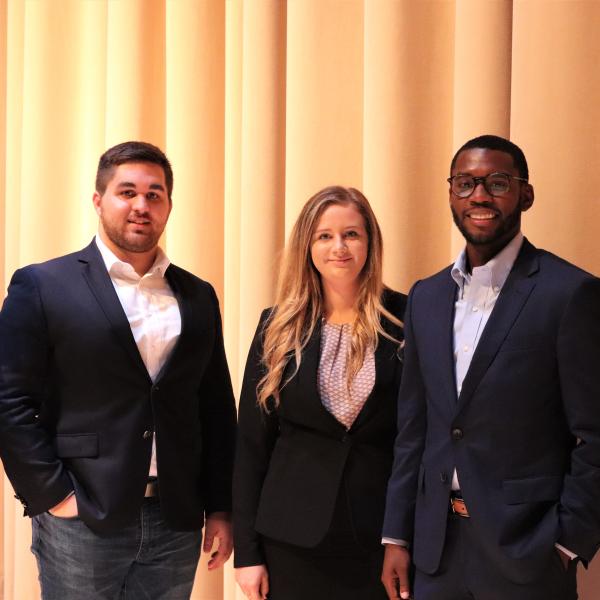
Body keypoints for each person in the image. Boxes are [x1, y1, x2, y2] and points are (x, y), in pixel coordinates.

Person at [0, 141, 237, 599]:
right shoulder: (43, 285)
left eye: (154, 194)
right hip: (83, 515)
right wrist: (53, 496)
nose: (141, 206)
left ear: (169, 205)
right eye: (126, 192)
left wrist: (222, 508)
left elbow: (215, 409)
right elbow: (9, 400)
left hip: (176, 519)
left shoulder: (198, 295)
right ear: (98, 200)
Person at [381, 134, 600, 600]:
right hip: (435, 550)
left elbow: (596, 433)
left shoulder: (569, 294)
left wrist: (567, 541)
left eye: (497, 182)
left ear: (526, 194)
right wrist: (397, 536)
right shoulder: (426, 297)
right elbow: (414, 429)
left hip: (527, 551)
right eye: (465, 183)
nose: (479, 195)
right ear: (451, 195)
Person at [233, 186, 406, 600]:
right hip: (290, 540)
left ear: (371, 242)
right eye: (324, 236)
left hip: (377, 537)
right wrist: (246, 553)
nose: (339, 247)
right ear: (307, 245)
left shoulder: (406, 318)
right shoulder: (277, 326)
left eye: (352, 234)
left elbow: (415, 439)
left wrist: (402, 536)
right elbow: (252, 446)